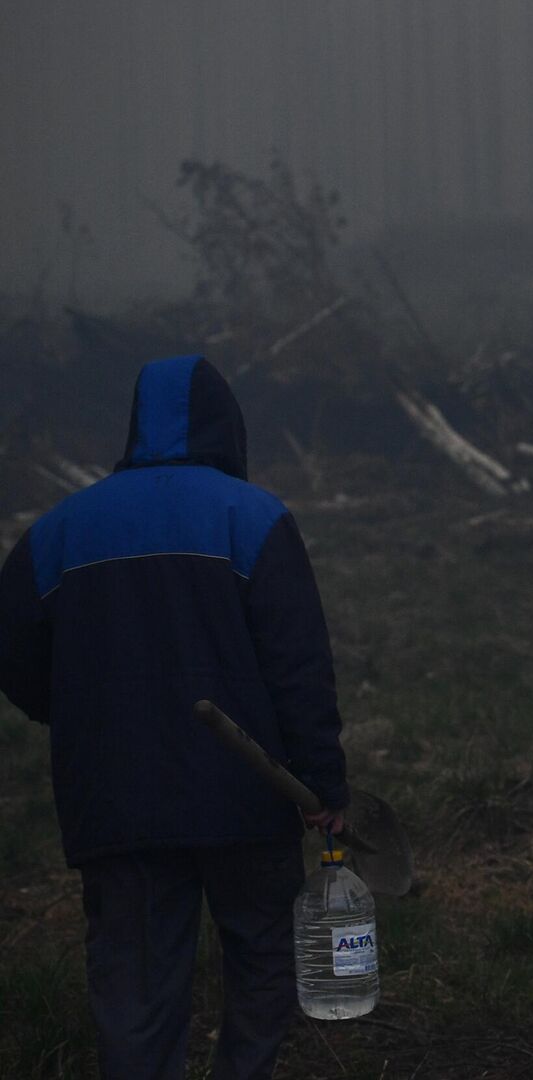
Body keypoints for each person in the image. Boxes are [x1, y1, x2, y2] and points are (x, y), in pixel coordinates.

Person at [0, 355, 347, 1079]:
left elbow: (15, 655)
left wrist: (78, 716)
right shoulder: (253, 517)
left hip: (115, 799)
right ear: (228, 425)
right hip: (246, 799)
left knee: (134, 989)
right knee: (262, 961)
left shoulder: (59, 530)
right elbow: (300, 667)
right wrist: (322, 783)